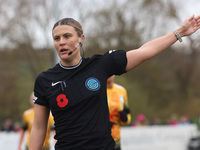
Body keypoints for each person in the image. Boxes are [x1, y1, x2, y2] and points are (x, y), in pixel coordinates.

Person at [29, 15, 200, 150]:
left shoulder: (100, 65)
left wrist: (180, 32)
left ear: (81, 39)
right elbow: (38, 128)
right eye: (56, 38)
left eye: (67, 36)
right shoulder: (45, 80)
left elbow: (144, 52)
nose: (62, 42)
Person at [107, 75, 131, 150]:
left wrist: (125, 119)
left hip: (116, 140)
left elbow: (127, 114)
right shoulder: (96, 90)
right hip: (100, 140)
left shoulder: (122, 90)